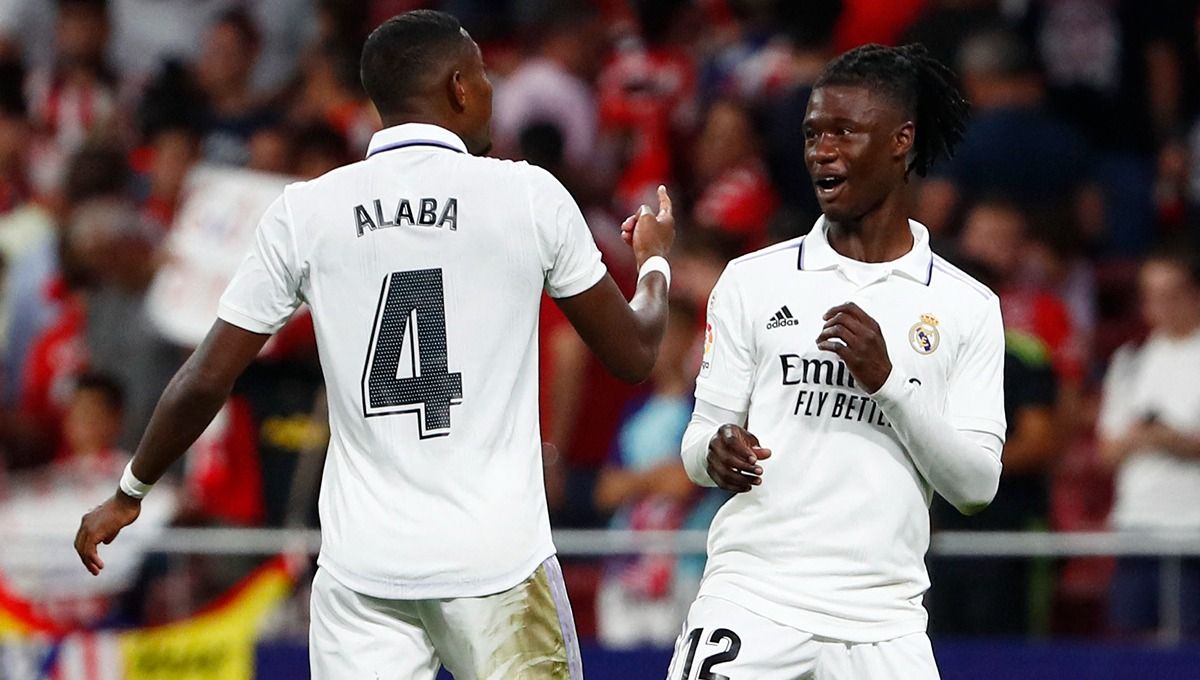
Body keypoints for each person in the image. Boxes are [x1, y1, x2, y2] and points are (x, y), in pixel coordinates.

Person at [74, 9, 676, 680]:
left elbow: (205, 377)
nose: (492, 91)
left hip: (363, 573)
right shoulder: (527, 196)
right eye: (483, 77)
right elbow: (634, 354)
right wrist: (653, 265)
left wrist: (132, 490)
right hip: (496, 563)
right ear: (457, 87)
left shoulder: (306, 211)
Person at [667, 44, 1004, 679]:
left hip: (884, 622)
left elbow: (977, 487)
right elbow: (696, 442)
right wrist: (715, 453)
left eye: (844, 132)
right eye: (813, 133)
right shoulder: (752, 280)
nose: (822, 149)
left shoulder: (967, 305)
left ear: (901, 140)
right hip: (752, 600)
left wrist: (891, 383)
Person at [1099, 246, 1200, 637]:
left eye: (1170, 294)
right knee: (1131, 645)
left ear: (1194, 294)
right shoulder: (1131, 359)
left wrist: (1169, 440)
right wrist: (1149, 438)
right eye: (1151, 296)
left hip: (1194, 531)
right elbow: (1108, 451)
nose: (1159, 306)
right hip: (1138, 524)